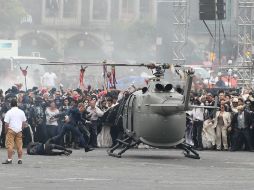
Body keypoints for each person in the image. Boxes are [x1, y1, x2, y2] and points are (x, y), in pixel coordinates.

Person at [2, 99, 27, 164]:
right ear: (17, 104)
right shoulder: (21, 112)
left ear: (11, 104)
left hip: (11, 130)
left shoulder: (9, 112)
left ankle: (9, 159)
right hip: (19, 130)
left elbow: (6, 124)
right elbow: (24, 122)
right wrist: (21, 129)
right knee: (19, 146)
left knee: (10, 145)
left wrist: (5, 131)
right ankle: (20, 159)